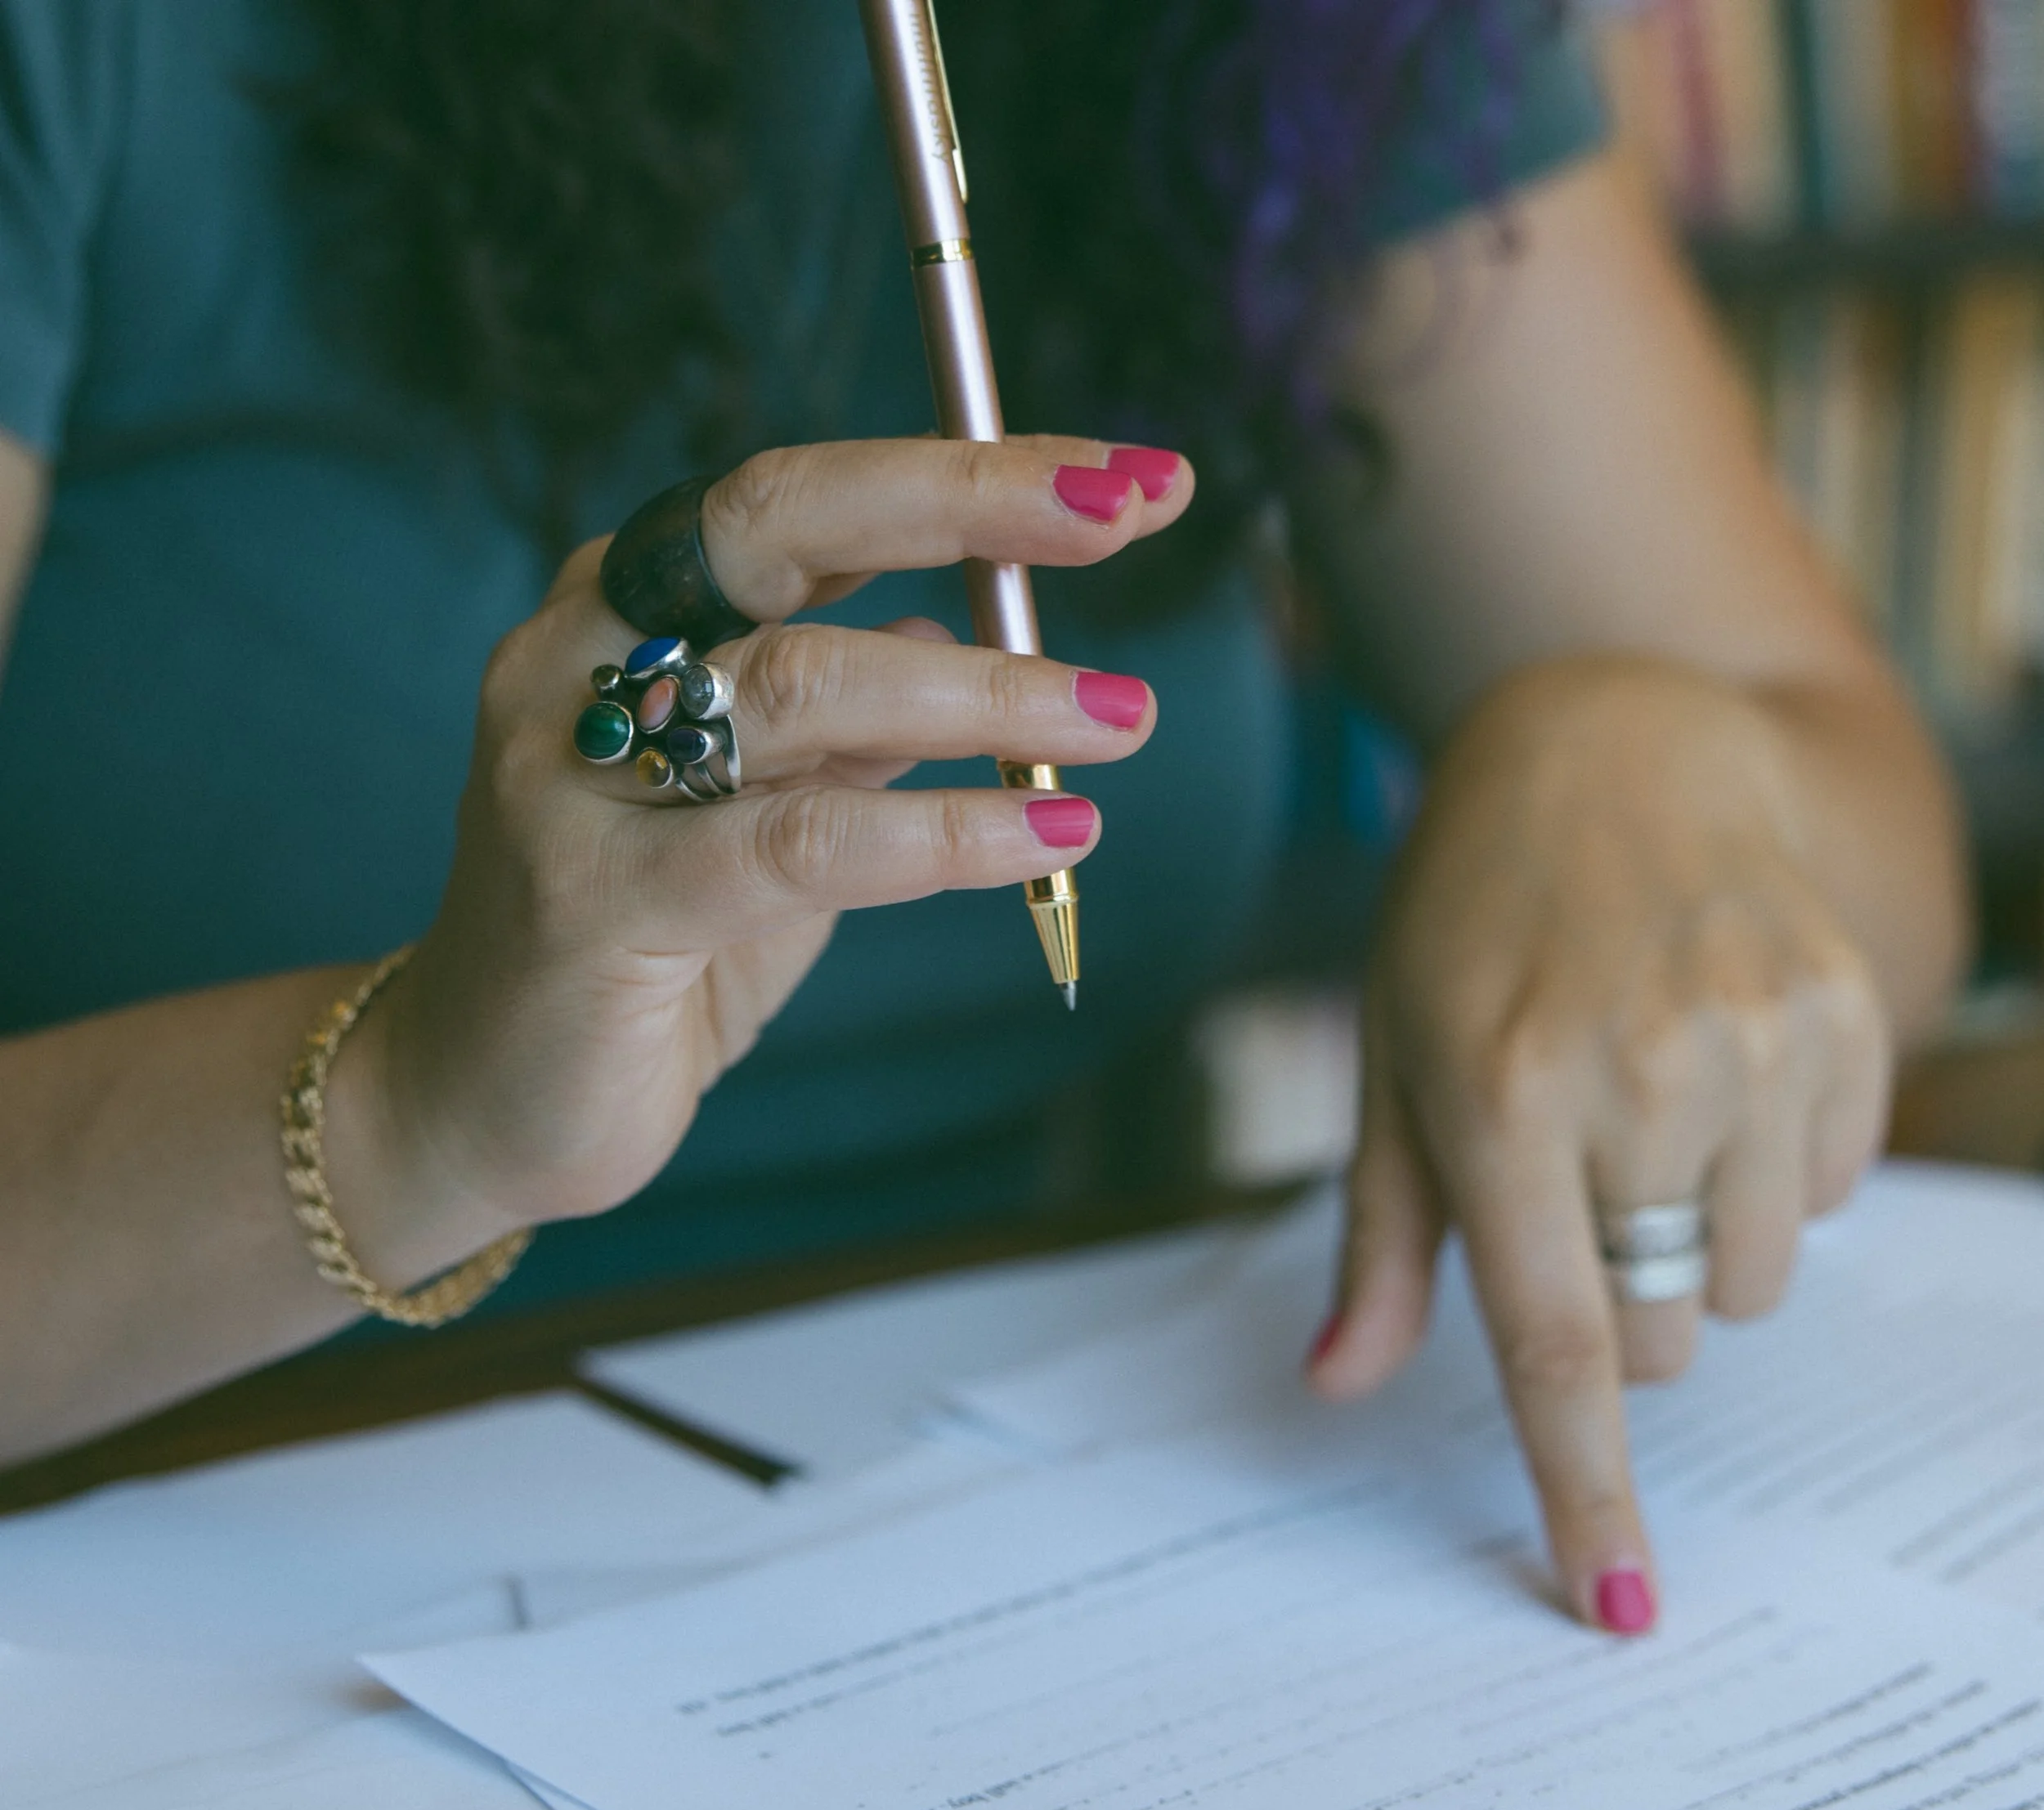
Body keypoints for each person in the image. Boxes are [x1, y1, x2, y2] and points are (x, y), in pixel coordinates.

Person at [0, 0, 1966, 1638]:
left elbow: (1872, 827)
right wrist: (412, 1106)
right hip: (169, 1598)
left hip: (966, 1563)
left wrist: (1644, 750)